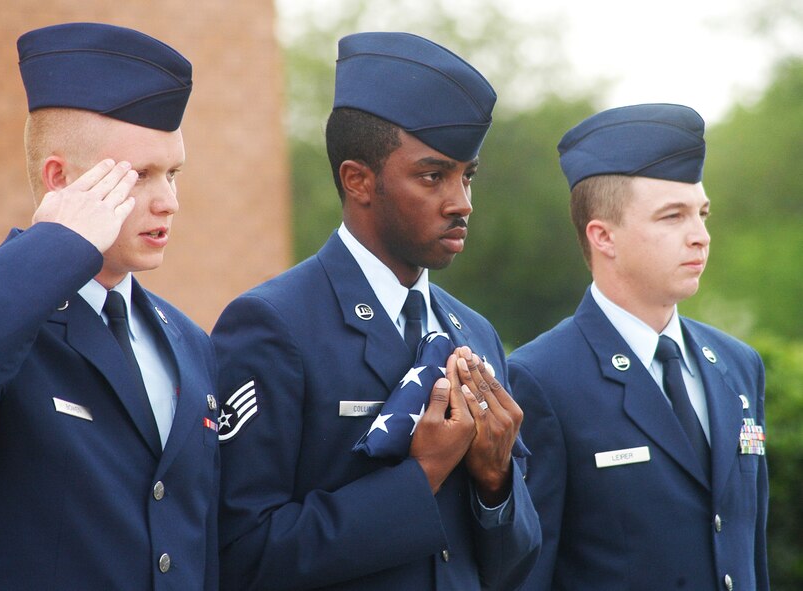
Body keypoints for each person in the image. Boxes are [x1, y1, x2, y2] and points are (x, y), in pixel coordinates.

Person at [211, 32, 540, 591]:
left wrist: (495, 483)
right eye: (433, 176)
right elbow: (243, 554)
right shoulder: (272, 325)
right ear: (358, 180)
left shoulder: (475, 332)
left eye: (468, 176)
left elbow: (511, 567)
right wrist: (422, 475)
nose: (462, 202)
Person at [0, 23, 219, 590]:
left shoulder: (189, 341)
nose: (167, 201)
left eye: (173, 174)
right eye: (139, 175)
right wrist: (57, 244)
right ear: (58, 179)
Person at [508, 103, 769, 590]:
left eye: (702, 214)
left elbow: (748, 553)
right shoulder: (540, 378)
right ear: (603, 236)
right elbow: (528, 570)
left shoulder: (737, 364)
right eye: (673, 217)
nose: (701, 236)